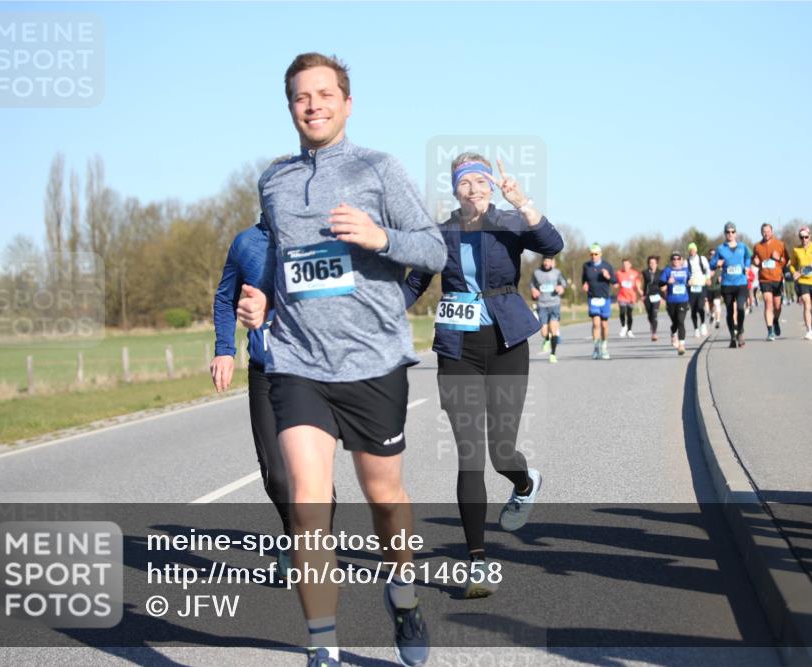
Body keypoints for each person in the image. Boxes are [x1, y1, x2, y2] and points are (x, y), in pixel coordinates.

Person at [236, 52, 447, 667]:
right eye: (302, 97)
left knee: (385, 498)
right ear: (290, 107)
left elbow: (432, 249)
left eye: (325, 94)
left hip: (373, 361)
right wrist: (262, 301)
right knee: (308, 498)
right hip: (298, 362)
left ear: (347, 103)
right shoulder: (273, 180)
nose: (314, 105)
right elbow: (278, 261)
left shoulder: (379, 170)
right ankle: (322, 647)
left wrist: (380, 238)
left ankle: (403, 597)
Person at [405, 154, 562, 598]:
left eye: (480, 181)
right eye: (464, 182)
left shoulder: (509, 222)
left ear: (490, 187)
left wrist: (524, 202)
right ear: (454, 190)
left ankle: (525, 481)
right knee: (470, 453)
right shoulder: (439, 233)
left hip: (507, 342)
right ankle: (477, 563)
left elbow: (553, 245)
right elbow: (415, 283)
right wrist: (374, 311)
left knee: (500, 451)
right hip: (458, 348)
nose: (472, 189)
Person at [213, 212, 336, 577]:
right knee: (277, 476)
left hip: (312, 373)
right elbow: (225, 298)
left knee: (312, 472)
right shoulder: (245, 243)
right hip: (265, 372)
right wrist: (224, 349)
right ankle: (293, 533)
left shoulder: (317, 235)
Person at [710, 222, 752, 348]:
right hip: (727, 284)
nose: (730, 234)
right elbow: (712, 264)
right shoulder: (720, 248)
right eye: (728, 232)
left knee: (740, 308)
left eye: (733, 232)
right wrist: (717, 263)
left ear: (736, 233)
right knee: (729, 311)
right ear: (725, 234)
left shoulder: (742, 246)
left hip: (741, 283)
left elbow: (748, 257)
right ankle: (732, 337)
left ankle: (740, 331)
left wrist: (747, 267)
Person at [752, 223, 788, 341]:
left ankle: (775, 320)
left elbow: (786, 262)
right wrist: (755, 261)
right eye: (764, 231)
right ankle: (770, 331)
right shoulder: (757, 246)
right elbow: (754, 260)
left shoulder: (780, 244)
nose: (766, 234)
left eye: (768, 231)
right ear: (761, 232)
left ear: (772, 232)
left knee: (778, 306)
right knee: (768, 302)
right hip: (764, 279)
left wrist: (778, 258)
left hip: (777, 279)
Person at [530, 254, 567, 363]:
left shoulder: (557, 273)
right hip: (542, 305)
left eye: (549, 261)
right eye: (545, 261)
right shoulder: (536, 273)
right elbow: (532, 285)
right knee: (543, 331)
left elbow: (563, 284)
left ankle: (553, 354)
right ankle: (546, 339)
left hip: (554, 303)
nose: (546, 263)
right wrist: (534, 291)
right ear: (543, 261)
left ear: (552, 262)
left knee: (554, 329)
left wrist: (561, 288)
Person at [582, 243, 614, 359]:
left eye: (596, 254)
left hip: (604, 298)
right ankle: (596, 348)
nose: (593, 256)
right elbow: (584, 280)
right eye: (591, 254)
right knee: (596, 323)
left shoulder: (607, 266)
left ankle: (604, 346)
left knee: (604, 325)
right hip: (592, 297)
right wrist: (584, 285)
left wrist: (608, 276)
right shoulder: (586, 266)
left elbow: (614, 282)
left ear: (600, 254)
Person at [659, 250, 691, 356]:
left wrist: (690, 282)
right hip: (671, 301)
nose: (676, 260)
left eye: (678, 258)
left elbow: (690, 279)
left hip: (683, 300)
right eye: (674, 258)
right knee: (675, 323)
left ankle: (681, 345)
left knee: (681, 321)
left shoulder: (686, 270)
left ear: (681, 260)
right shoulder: (667, 271)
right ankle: (673, 332)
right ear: (671, 260)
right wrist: (668, 282)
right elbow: (660, 284)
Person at [685, 242, 711, 338]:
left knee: (700, 306)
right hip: (692, 287)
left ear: (696, 250)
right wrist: (687, 280)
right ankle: (696, 329)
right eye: (690, 250)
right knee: (693, 309)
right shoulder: (686, 261)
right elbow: (684, 273)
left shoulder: (702, 259)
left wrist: (708, 278)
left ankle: (703, 324)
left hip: (701, 285)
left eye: (693, 249)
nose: (692, 251)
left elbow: (707, 269)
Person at [614, 258, 641, 338]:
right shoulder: (619, 273)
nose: (625, 266)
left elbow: (638, 283)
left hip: (631, 297)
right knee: (622, 312)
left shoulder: (635, 273)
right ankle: (623, 326)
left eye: (626, 264)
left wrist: (639, 289)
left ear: (630, 265)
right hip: (622, 296)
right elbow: (616, 282)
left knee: (629, 314)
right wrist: (615, 285)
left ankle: (629, 330)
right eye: (624, 264)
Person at [642, 255, 663, 341]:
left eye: (653, 263)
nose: (652, 264)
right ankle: (652, 325)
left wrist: (663, 296)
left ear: (656, 264)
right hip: (647, 296)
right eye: (650, 263)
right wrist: (643, 294)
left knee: (654, 314)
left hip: (657, 295)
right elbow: (644, 284)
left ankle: (654, 333)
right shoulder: (645, 272)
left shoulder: (660, 272)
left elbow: (663, 284)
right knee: (650, 315)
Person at [705, 248, 722, 330]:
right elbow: (702, 275)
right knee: (711, 305)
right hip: (709, 288)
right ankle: (712, 315)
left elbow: (725, 272)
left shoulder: (720, 264)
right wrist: (707, 277)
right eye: (711, 254)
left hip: (717, 287)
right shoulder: (706, 264)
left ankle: (718, 321)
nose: (712, 255)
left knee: (717, 303)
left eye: (714, 254)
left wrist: (722, 278)